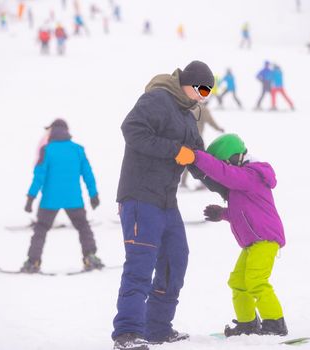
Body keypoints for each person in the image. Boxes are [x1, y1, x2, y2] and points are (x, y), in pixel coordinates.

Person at [112, 60, 215, 350]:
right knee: (140, 265)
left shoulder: (186, 114)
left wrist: (229, 182)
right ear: (188, 82)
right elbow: (131, 129)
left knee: (175, 259)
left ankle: (157, 327)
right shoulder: (157, 99)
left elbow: (197, 156)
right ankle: (127, 333)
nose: (203, 96)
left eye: (208, 92)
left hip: (167, 201)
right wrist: (175, 151)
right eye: (202, 89)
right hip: (140, 196)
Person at [192, 133, 288, 337]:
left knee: (256, 280)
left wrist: (196, 157)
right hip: (254, 242)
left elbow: (225, 174)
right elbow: (244, 211)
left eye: (224, 163)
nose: (224, 168)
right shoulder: (241, 182)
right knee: (238, 282)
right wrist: (223, 214)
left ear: (233, 158)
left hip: (265, 239)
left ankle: (275, 324)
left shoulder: (251, 175)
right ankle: (247, 324)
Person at [22, 119, 103, 273]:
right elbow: (88, 174)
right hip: (74, 200)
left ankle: (33, 261)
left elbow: (39, 176)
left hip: (50, 201)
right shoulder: (78, 149)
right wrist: (94, 195)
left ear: (52, 132)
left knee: (41, 229)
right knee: (83, 227)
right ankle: (90, 257)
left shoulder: (46, 150)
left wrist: (30, 198)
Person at [180, 103, 224, 189]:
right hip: (196, 139)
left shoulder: (189, 107)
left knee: (188, 158)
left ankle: (183, 182)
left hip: (185, 138)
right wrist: (219, 129)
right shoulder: (203, 109)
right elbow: (211, 121)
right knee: (202, 160)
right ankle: (204, 182)